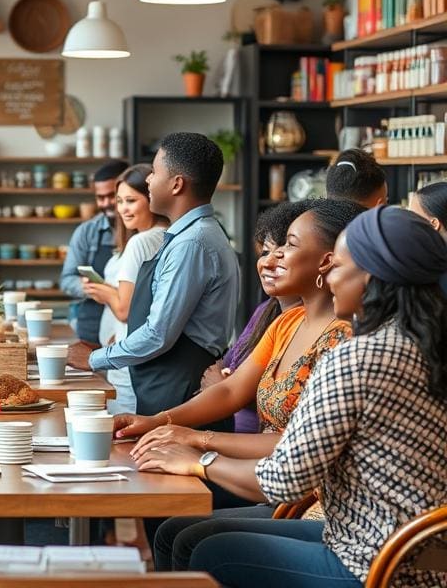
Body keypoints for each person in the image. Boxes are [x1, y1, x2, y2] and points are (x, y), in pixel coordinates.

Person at [140, 206, 447, 588]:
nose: (329, 276)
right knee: (187, 537)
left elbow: (283, 480)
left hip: (375, 561)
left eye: (337, 266)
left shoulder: (357, 357)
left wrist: (196, 459)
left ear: (369, 278)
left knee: (210, 552)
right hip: (420, 554)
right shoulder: (424, 343)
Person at [124, 198, 362, 569]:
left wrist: (196, 441)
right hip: (273, 479)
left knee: (190, 538)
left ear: (329, 261)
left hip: (307, 497)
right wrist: (160, 421)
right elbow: (231, 391)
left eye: (290, 245)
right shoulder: (288, 321)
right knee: (173, 530)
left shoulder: (342, 339)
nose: (274, 256)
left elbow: (296, 444)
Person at [68, 133, 238, 423]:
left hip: (182, 390)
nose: (148, 180)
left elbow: (158, 334)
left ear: (177, 184)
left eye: (155, 172)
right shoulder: (189, 236)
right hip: (170, 384)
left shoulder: (191, 244)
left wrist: (94, 359)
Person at [199, 200, 312, 435]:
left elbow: (284, 399)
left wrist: (230, 389)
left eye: (284, 251)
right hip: (232, 434)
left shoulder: (311, 324)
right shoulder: (266, 311)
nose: (269, 262)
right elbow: (226, 363)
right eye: (266, 252)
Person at [80, 164, 168, 413]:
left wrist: (104, 291)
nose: (122, 209)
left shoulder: (140, 243)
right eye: (120, 201)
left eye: (131, 200)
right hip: (129, 357)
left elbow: (124, 310)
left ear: (151, 198)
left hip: (126, 364)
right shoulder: (163, 237)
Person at [59, 159, 130, 345]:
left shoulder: (144, 234)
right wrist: (92, 288)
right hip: (91, 328)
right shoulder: (87, 231)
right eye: (100, 197)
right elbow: (67, 279)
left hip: (129, 330)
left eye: (112, 196)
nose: (106, 203)